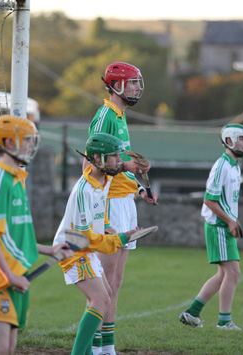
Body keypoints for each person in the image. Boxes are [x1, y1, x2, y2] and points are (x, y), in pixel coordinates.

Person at [0, 115, 73, 355]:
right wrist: (8, 275)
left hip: (16, 273)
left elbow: (16, 233)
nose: (31, 145)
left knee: (8, 347)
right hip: (0, 276)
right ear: (9, 143)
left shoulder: (17, 178)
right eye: (26, 140)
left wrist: (48, 250)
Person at [83, 62, 158, 355]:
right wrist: (126, 167)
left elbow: (115, 164)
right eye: (132, 83)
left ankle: (107, 347)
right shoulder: (105, 117)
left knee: (115, 281)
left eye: (139, 83)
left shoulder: (120, 116)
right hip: (109, 204)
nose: (138, 88)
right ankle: (95, 347)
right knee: (102, 284)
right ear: (116, 86)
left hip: (124, 202)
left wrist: (138, 186)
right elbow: (89, 165)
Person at [54, 132, 142, 355]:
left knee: (104, 297)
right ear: (97, 158)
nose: (118, 161)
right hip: (72, 249)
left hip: (85, 248)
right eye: (113, 156)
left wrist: (106, 226)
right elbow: (86, 239)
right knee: (100, 299)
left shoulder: (105, 179)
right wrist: (119, 238)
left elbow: (99, 215)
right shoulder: (85, 189)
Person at [179, 124, 243, 331]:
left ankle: (192, 313)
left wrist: (234, 220)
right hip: (218, 226)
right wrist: (229, 221)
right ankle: (224, 321)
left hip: (225, 225)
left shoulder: (235, 166)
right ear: (228, 141)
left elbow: (226, 200)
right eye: (241, 138)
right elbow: (209, 200)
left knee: (224, 274)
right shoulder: (222, 166)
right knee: (233, 272)